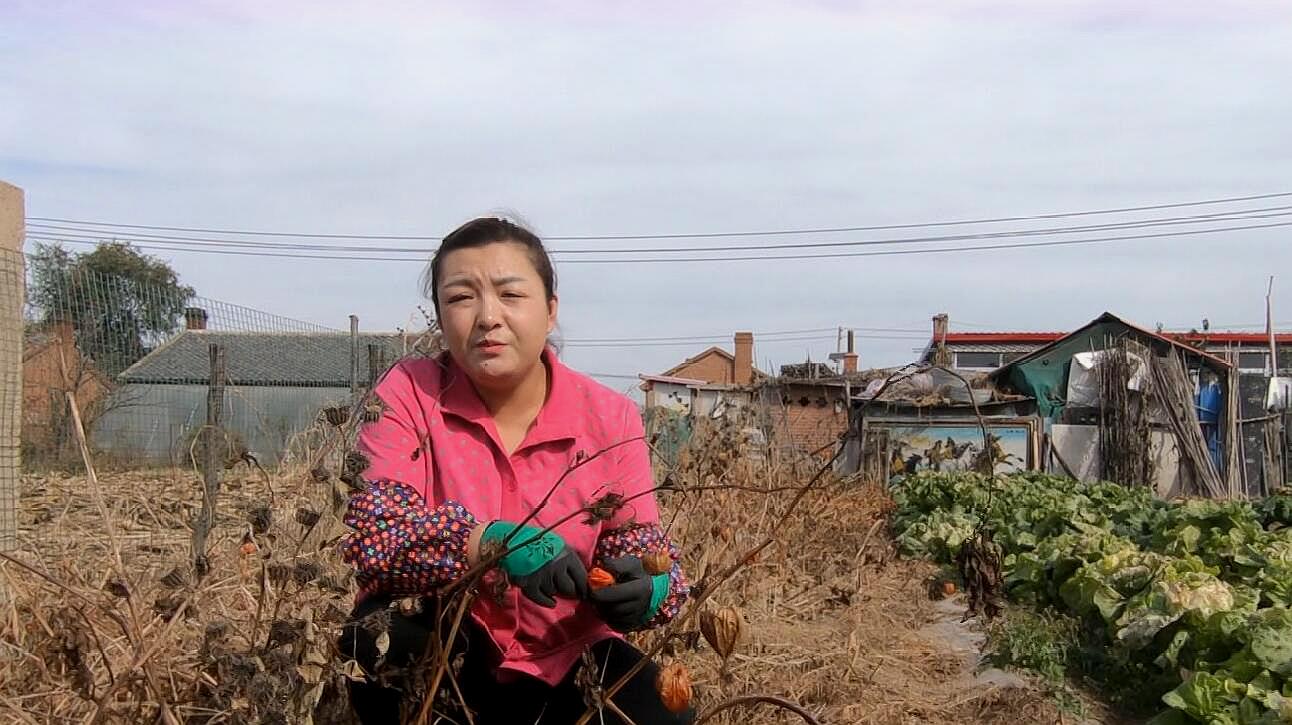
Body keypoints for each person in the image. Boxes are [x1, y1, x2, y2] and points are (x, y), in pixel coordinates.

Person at [336, 217, 692, 724]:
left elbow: (635, 541)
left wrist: (649, 585)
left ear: (550, 311)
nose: (487, 317)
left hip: (565, 648)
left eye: (511, 294)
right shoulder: (408, 394)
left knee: (661, 712)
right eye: (461, 298)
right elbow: (378, 539)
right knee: (384, 645)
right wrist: (492, 543)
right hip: (447, 635)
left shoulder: (610, 417)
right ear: (439, 317)